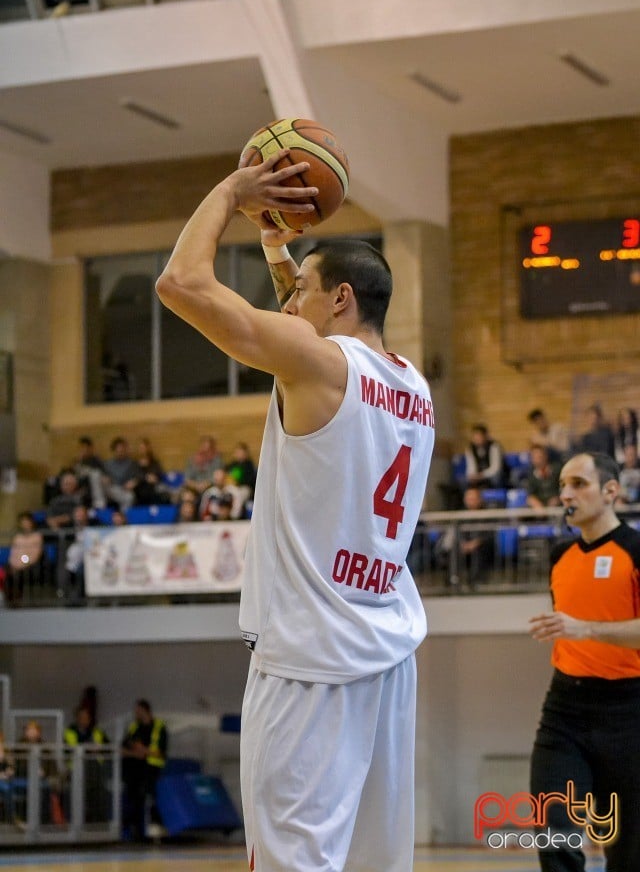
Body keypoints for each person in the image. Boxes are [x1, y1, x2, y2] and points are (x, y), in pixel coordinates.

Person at [156, 150, 435, 872]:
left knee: (291, 863)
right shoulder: (413, 386)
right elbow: (306, 331)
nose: (288, 301)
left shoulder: (318, 365)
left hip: (311, 655)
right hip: (386, 648)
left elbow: (180, 283)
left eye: (301, 290)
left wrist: (231, 191)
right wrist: (281, 249)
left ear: (339, 299)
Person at [529, 451, 640, 871]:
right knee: (555, 836)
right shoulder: (560, 556)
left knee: (629, 853)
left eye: (578, 483)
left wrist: (587, 629)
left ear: (610, 491)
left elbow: (584, 626)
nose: (566, 494)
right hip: (565, 710)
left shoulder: (635, 550)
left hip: (629, 711)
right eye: (561, 485)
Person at [121, 699, 167, 842]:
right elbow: (123, 747)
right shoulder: (134, 727)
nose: (136, 713)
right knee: (134, 799)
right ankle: (135, 832)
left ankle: (155, 831)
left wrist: (144, 751)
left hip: (152, 769)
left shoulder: (159, 727)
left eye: (138, 710)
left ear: (144, 710)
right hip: (134, 770)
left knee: (150, 798)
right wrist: (135, 752)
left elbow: (160, 752)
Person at [4, 511, 44, 606]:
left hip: (30, 566)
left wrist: (22, 565)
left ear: (32, 522)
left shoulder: (37, 536)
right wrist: (13, 565)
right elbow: (13, 554)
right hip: (15, 566)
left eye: (27, 521)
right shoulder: (18, 537)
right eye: (23, 522)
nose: (25, 524)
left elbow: (35, 555)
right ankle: (10, 602)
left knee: (21, 574)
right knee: (7, 574)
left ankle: (22, 602)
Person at [463, 423, 505, 489]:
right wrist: (473, 476)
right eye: (475, 436)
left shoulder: (494, 446)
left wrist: (481, 475)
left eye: (479, 435)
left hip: (492, 475)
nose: (477, 438)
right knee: (464, 481)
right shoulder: (470, 448)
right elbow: (471, 467)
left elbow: (495, 469)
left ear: (485, 436)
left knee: (495, 479)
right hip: (478, 476)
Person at [525, 444, 562, 509]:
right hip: (540, 509)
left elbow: (563, 488)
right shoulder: (530, 475)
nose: (538, 461)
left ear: (545, 456)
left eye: (540, 457)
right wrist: (535, 502)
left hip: (557, 506)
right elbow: (530, 495)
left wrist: (558, 498)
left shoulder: (557, 470)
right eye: (535, 458)